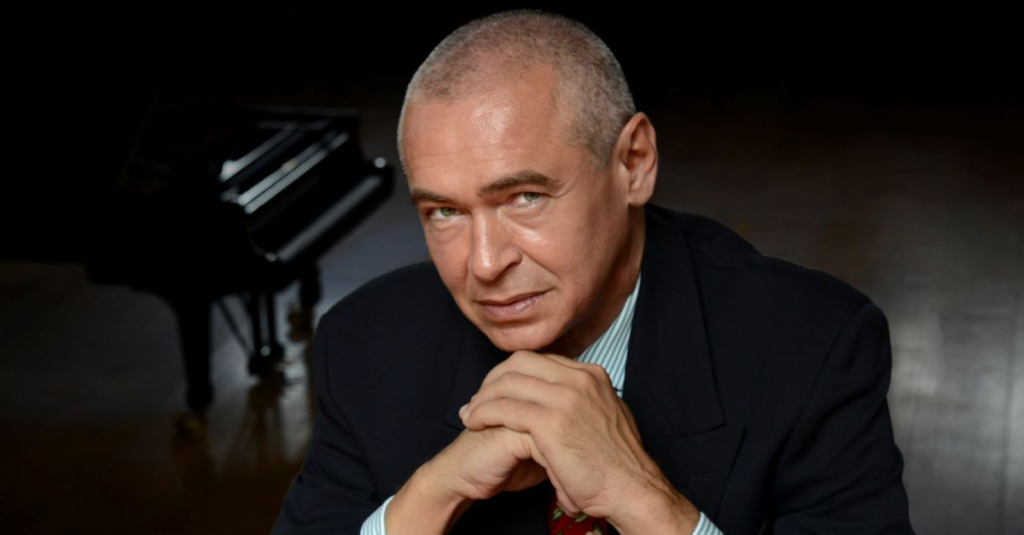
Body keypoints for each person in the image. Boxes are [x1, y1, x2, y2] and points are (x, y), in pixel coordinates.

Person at [272, 9, 914, 535]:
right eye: (444, 212)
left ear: (634, 163)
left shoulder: (813, 347)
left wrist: (644, 502)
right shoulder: (363, 345)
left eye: (525, 198)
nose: (485, 264)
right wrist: (432, 494)